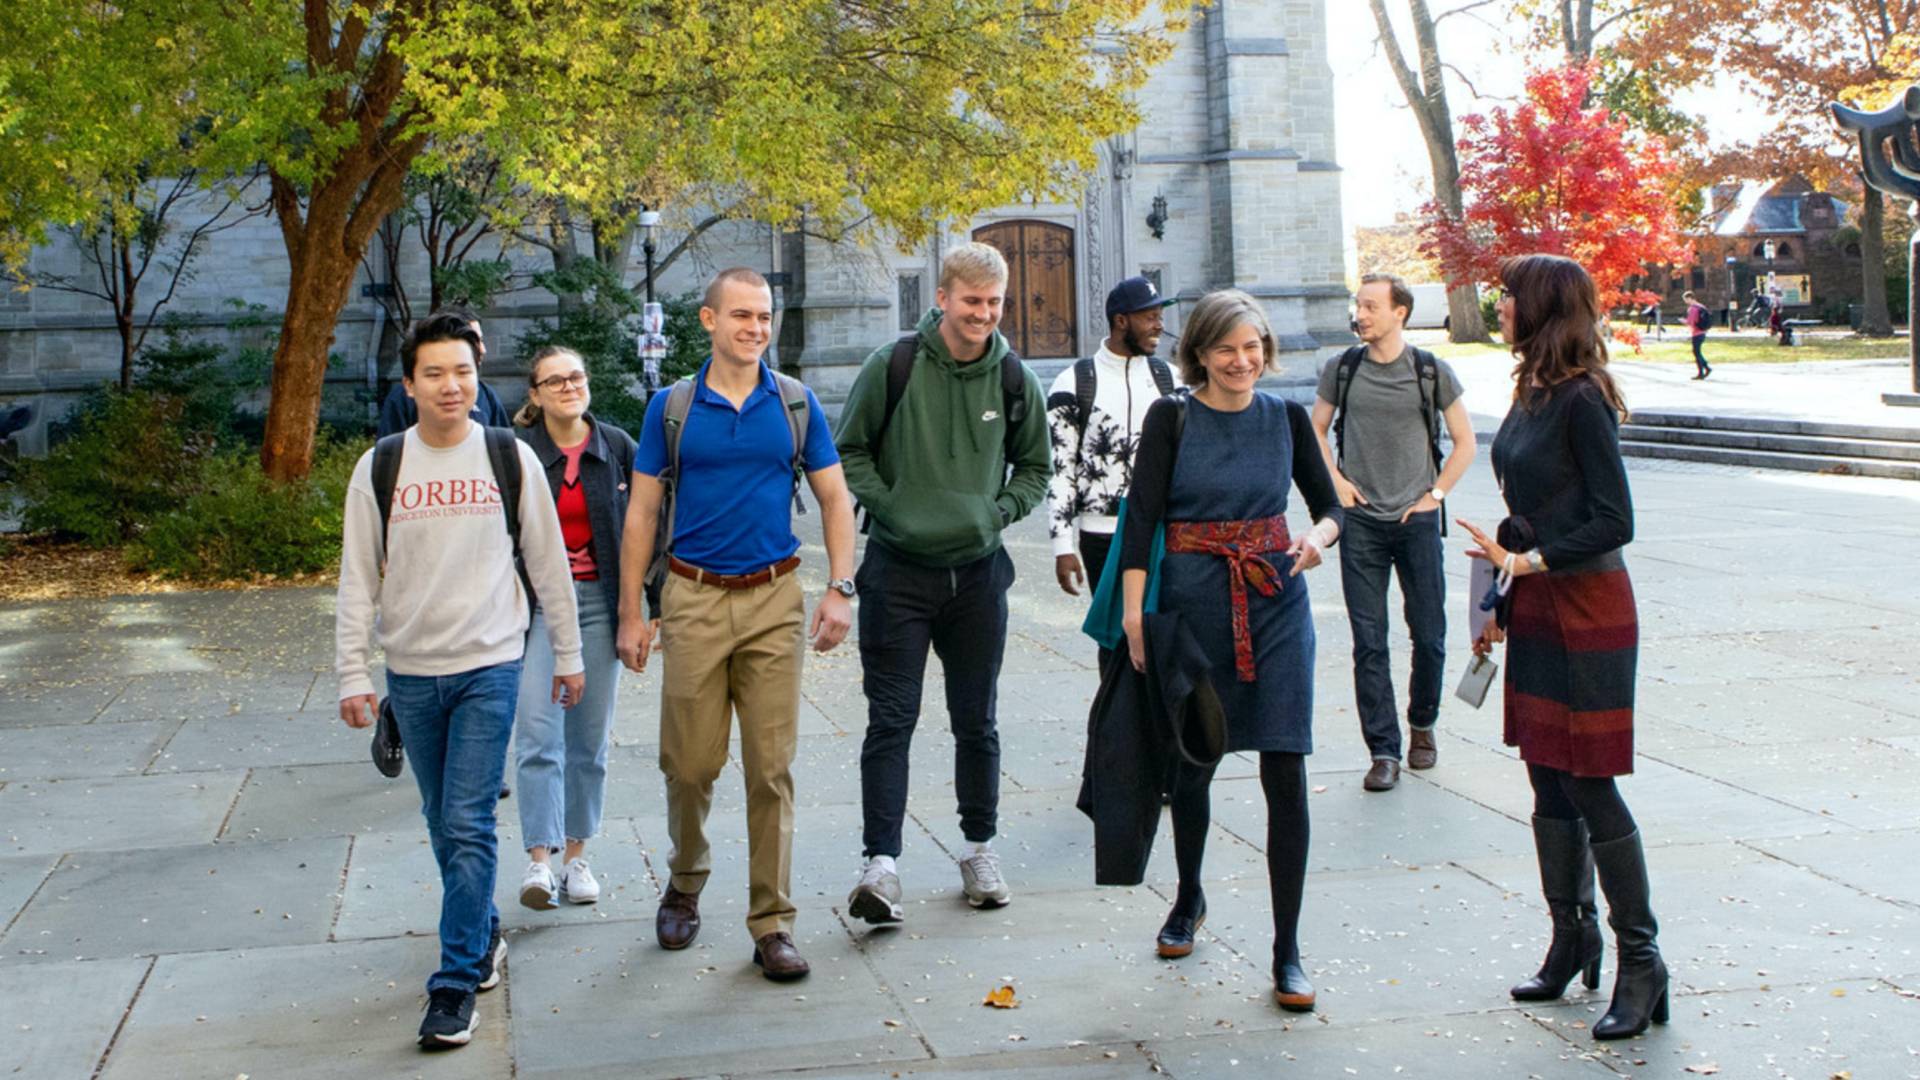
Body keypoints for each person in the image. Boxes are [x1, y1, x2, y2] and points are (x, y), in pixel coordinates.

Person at [336, 313, 584, 1049]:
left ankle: (454, 983)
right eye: (436, 373)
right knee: (441, 820)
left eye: (464, 372)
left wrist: (566, 654)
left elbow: (548, 564)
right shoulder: (381, 465)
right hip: (411, 672)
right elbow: (356, 578)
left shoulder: (508, 458)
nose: (452, 386)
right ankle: (482, 933)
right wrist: (353, 671)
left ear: (479, 379)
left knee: (468, 820)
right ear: (409, 384)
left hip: (490, 664)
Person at [616, 268, 856, 982]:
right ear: (708, 320)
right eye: (742, 315)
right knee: (688, 766)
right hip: (690, 599)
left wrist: (840, 587)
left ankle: (772, 923)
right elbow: (641, 515)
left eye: (765, 317)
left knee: (771, 769)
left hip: (774, 600)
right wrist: (634, 611)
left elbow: (837, 499)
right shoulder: (672, 407)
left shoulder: (796, 404)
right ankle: (686, 879)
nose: (756, 328)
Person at [1458, 253, 1667, 1042]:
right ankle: (1570, 935)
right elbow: (1543, 506)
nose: (1498, 305)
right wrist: (1505, 561)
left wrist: (1533, 558)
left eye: (1509, 297)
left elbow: (1616, 520)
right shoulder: (1530, 390)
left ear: (1541, 308)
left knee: (1591, 785)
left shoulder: (1582, 399)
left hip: (1588, 607)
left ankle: (1641, 962)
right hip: (1539, 601)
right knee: (1546, 778)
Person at [1120, 289, 1342, 1010]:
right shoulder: (1171, 417)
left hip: (1277, 602)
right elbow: (1142, 518)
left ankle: (1288, 948)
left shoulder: (1284, 417)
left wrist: (1317, 539)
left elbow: (1332, 504)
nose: (1242, 361)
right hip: (1192, 608)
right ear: (1200, 355)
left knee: (1286, 764)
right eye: (1226, 349)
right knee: (1193, 765)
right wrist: (1133, 618)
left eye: (1252, 347)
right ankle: (1187, 896)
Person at [833, 242, 1051, 923]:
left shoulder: (1015, 379)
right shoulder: (892, 366)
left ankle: (978, 849)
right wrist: (896, 507)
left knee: (976, 721)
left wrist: (996, 512)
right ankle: (881, 866)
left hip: (978, 578)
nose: (983, 314)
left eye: (994, 303)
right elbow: (848, 453)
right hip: (897, 572)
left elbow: (1036, 468)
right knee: (890, 721)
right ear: (942, 298)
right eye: (971, 302)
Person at [1312, 273, 1474, 792]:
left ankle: (1422, 724)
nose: (1360, 315)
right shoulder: (1343, 369)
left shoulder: (1430, 370)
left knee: (1429, 634)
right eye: (1358, 306)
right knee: (1369, 642)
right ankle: (1383, 751)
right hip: (1361, 524)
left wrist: (1436, 497)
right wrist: (1336, 481)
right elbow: (1314, 429)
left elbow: (1465, 442)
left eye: (1371, 307)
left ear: (1399, 312)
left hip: (1417, 522)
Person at [509, 346, 636, 912]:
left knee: (589, 739)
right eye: (554, 381)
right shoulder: (515, 453)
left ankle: (576, 858)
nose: (568, 387)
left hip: (601, 603)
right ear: (534, 395)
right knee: (538, 730)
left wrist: (640, 609)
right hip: (535, 608)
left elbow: (647, 531)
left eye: (576, 376)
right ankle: (539, 861)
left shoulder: (616, 448)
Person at [1044, 274, 1179, 668]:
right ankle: (1115, 729)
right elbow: (1061, 470)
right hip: (1102, 535)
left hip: (1163, 532)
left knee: (1164, 646)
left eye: (1159, 316)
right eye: (1149, 317)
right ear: (1121, 321)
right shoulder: (1074, 382)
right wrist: (1062, 547)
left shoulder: (1170, 379)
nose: (1159, 325)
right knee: (1117, 648)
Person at [377, 307, 512, 437]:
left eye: (480, 340)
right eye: (434, 375)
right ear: (410, 385)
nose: (482, 349)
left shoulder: (487, 395)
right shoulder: (402, 399)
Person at [1683, 291, 1712, 379]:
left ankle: (1702, 372)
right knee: (1697, 352)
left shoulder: (1693, 309)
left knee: (1696, 352)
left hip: (1696, 333)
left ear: (1689, 298)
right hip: (1703, 332)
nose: (1685, 302)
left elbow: (1691, 322)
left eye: (1685, 300)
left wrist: (1683, 321)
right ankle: (1706, 368)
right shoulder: (1701, 307)